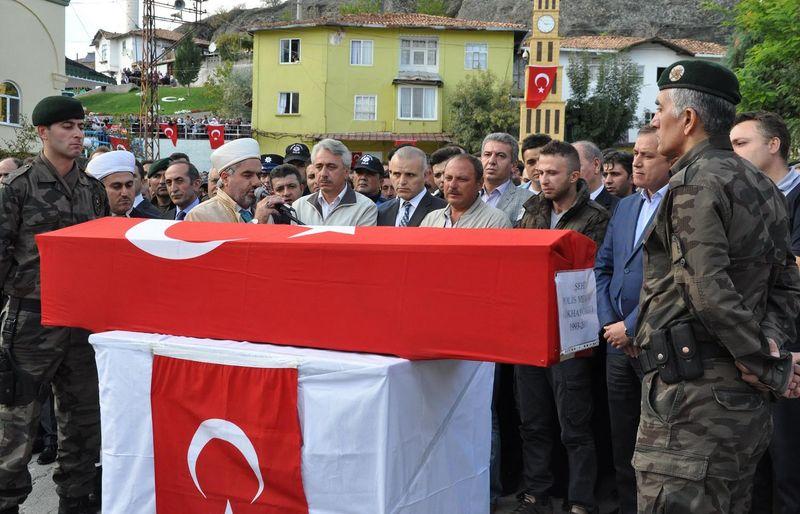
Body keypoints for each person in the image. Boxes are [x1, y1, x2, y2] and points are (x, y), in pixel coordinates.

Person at [634, 60, 800, 513]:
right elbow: (786, 284)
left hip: (690, 405)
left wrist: (767, 362)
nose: (654, 120)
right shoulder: (761, 184)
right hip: (738, 401)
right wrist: (768, 348)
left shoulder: (694, 182)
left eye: (659, 108)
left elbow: (704, 288)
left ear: (688, 120)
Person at [0, 96, 108, 513]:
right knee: (16, 422)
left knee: (81, 420)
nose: (78, 133)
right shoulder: (18, 187)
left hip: (81, 322)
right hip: (31, 319)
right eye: (66, 126)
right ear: (43, 133)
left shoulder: (92, 190)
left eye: (80, 126)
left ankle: (75, 500)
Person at [512, 140, 608, 514]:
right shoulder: (531, 209)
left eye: (552, 172)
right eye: (538, 172)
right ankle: (537, 493)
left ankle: (581, 500)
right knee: (532, 420)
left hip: (571, 333)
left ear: (574, 174)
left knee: (575, 425)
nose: (543, 178)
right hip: (530, 329)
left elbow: (595, 273)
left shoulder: (597, 217)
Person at [593, 126, 671, 514]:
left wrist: (633, 325)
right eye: (635, 153)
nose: (635, 161)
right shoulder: (625, 206)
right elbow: (604, 266)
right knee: (622, 436)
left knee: (659, 441)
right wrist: (612, 323)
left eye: (647, 155)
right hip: (617, 345)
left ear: (670, 160)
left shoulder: (680, 203)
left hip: (657, 342)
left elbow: (677, 278)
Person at [730, 111, 800, 514]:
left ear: (773, 145)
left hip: (790, 344)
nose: (734, 153)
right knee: (752, 464)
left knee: (788, 463)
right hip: (750, 344)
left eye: (742, 143)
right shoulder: (744, 198)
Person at [292, 139, 377, 226]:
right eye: (319, 167)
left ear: (346, 171)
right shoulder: (299, 207)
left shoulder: (365, 208)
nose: (323, 174)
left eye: (331, 167)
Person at [186, 138, 270, 224]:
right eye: (247, 175)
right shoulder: (200, 215)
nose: (257, 182)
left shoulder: (266, 212)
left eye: (259, 175)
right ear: (225, 178)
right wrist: (258, 222)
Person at [420, 154, 510, 229]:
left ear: (479, 184)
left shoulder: (495, 221)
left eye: (462, 179)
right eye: (448, 178)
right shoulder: (431, 219)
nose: (452, 185)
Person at [378, 146, 446, 227]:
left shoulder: (444, 210)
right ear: (390, 173)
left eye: (410, 175)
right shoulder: (381, 211)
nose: (402, 181)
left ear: (425, 175)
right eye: (397, 174)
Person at [480, 133, 533, 224]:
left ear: (514, 165)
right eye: (487, 154)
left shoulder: (528, 200)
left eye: (500, 156)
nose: (491, 161)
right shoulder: (468, 195)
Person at [87, 150, 151, 218]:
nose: (125, 193)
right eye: (117, 187)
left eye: (129, 185)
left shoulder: (147, 222)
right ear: (100, 189)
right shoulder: (86, 222)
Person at [573, 141, 618, 213]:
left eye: (576, 166)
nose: (571, 174)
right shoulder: (558, 207)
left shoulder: (619, 208)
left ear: (596, 165)